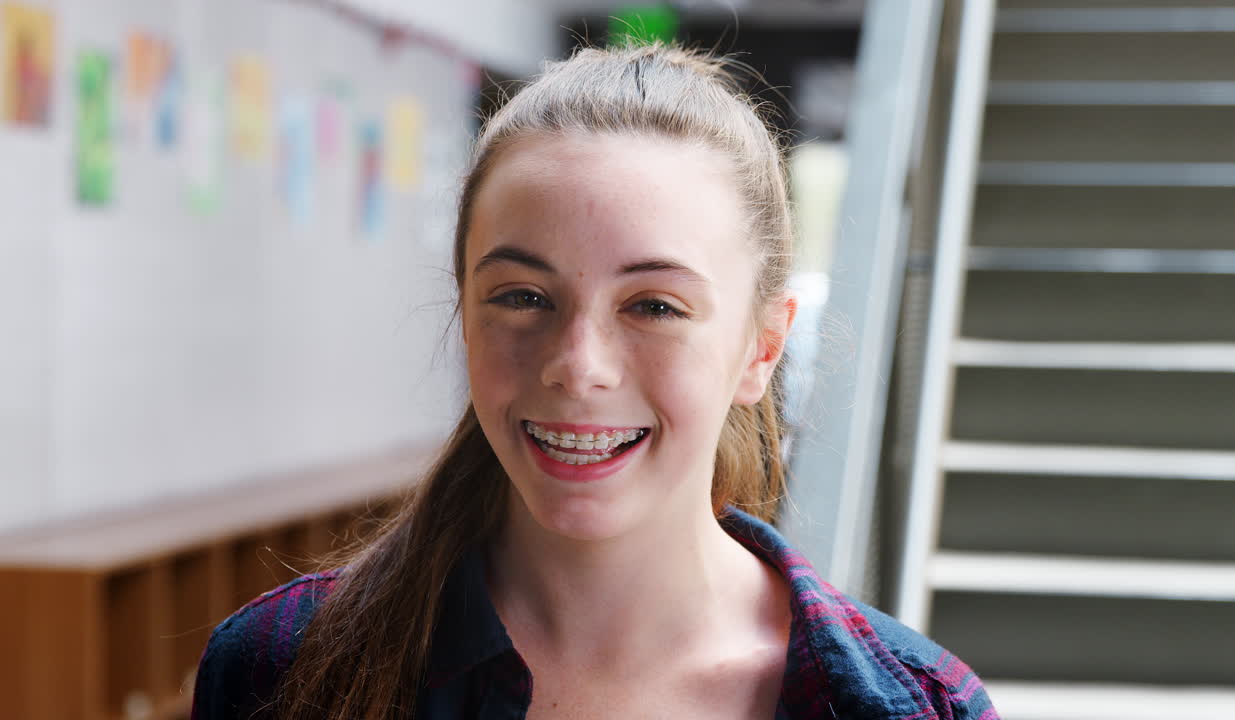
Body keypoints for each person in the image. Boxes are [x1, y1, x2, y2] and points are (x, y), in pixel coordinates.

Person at [191, 43, 998, 720]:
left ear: (762, 347)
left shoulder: (914, 706)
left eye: (653, 304)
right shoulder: (279, 673)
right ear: (465, 312)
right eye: (522, 297)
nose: (578, 365)